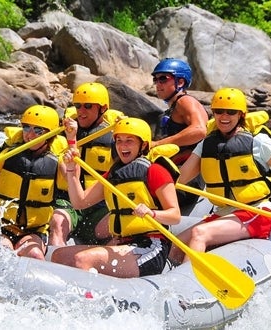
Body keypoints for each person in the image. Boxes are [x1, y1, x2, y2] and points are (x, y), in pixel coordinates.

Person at [169, 87, 271, 264]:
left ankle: (188, 283)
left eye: (231, 112)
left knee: (200, 234)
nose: (224, 116)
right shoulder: (207, 144)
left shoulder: (258, 141)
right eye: (219, 111)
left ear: (241, 115)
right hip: (224, 213)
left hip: (256, 212)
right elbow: (181, 178)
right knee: (176, 244)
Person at [51, 117, 181, 278]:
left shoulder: (155, 171)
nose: (122, 146)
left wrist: (152, 213)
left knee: (82, 259)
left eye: (129, 141)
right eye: (119, 141)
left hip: (151, 245)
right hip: (122, 242)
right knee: (59, 256)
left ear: (144, 145)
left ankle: (87, 301)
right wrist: (71, 171)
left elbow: (175, 216)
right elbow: (80, 202)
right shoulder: (113, 175)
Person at [0, 105, 64, 260]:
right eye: (26, 128)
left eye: (38, 130)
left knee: (35, 255)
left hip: (33, 230)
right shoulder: (7, 155)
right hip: (1, 226)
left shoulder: (58, 162)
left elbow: (74, 190)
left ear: (50, 134)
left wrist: (72, 141)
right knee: (2, 252)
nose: (30, 135)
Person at [48, 82, 118, 247]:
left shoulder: (116, 138)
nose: (81, 111)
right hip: (67, 202)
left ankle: (99, 265)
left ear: (103, 109)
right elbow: (67, 173)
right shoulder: (62, 133)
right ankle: (54, 265)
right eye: (78, 106)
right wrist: (71, 139)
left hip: (100, 205)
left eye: (88, 106)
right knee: (58, 222)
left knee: (120, 227)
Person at [151, 58, 209, 206]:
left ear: (181, 82)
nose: (158, 84)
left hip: (187, 181)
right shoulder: (173, 107)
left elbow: (200, 130)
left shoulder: (185, 101)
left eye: (163, 79)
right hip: (177, 174)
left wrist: (157, 144)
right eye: (155, 79)